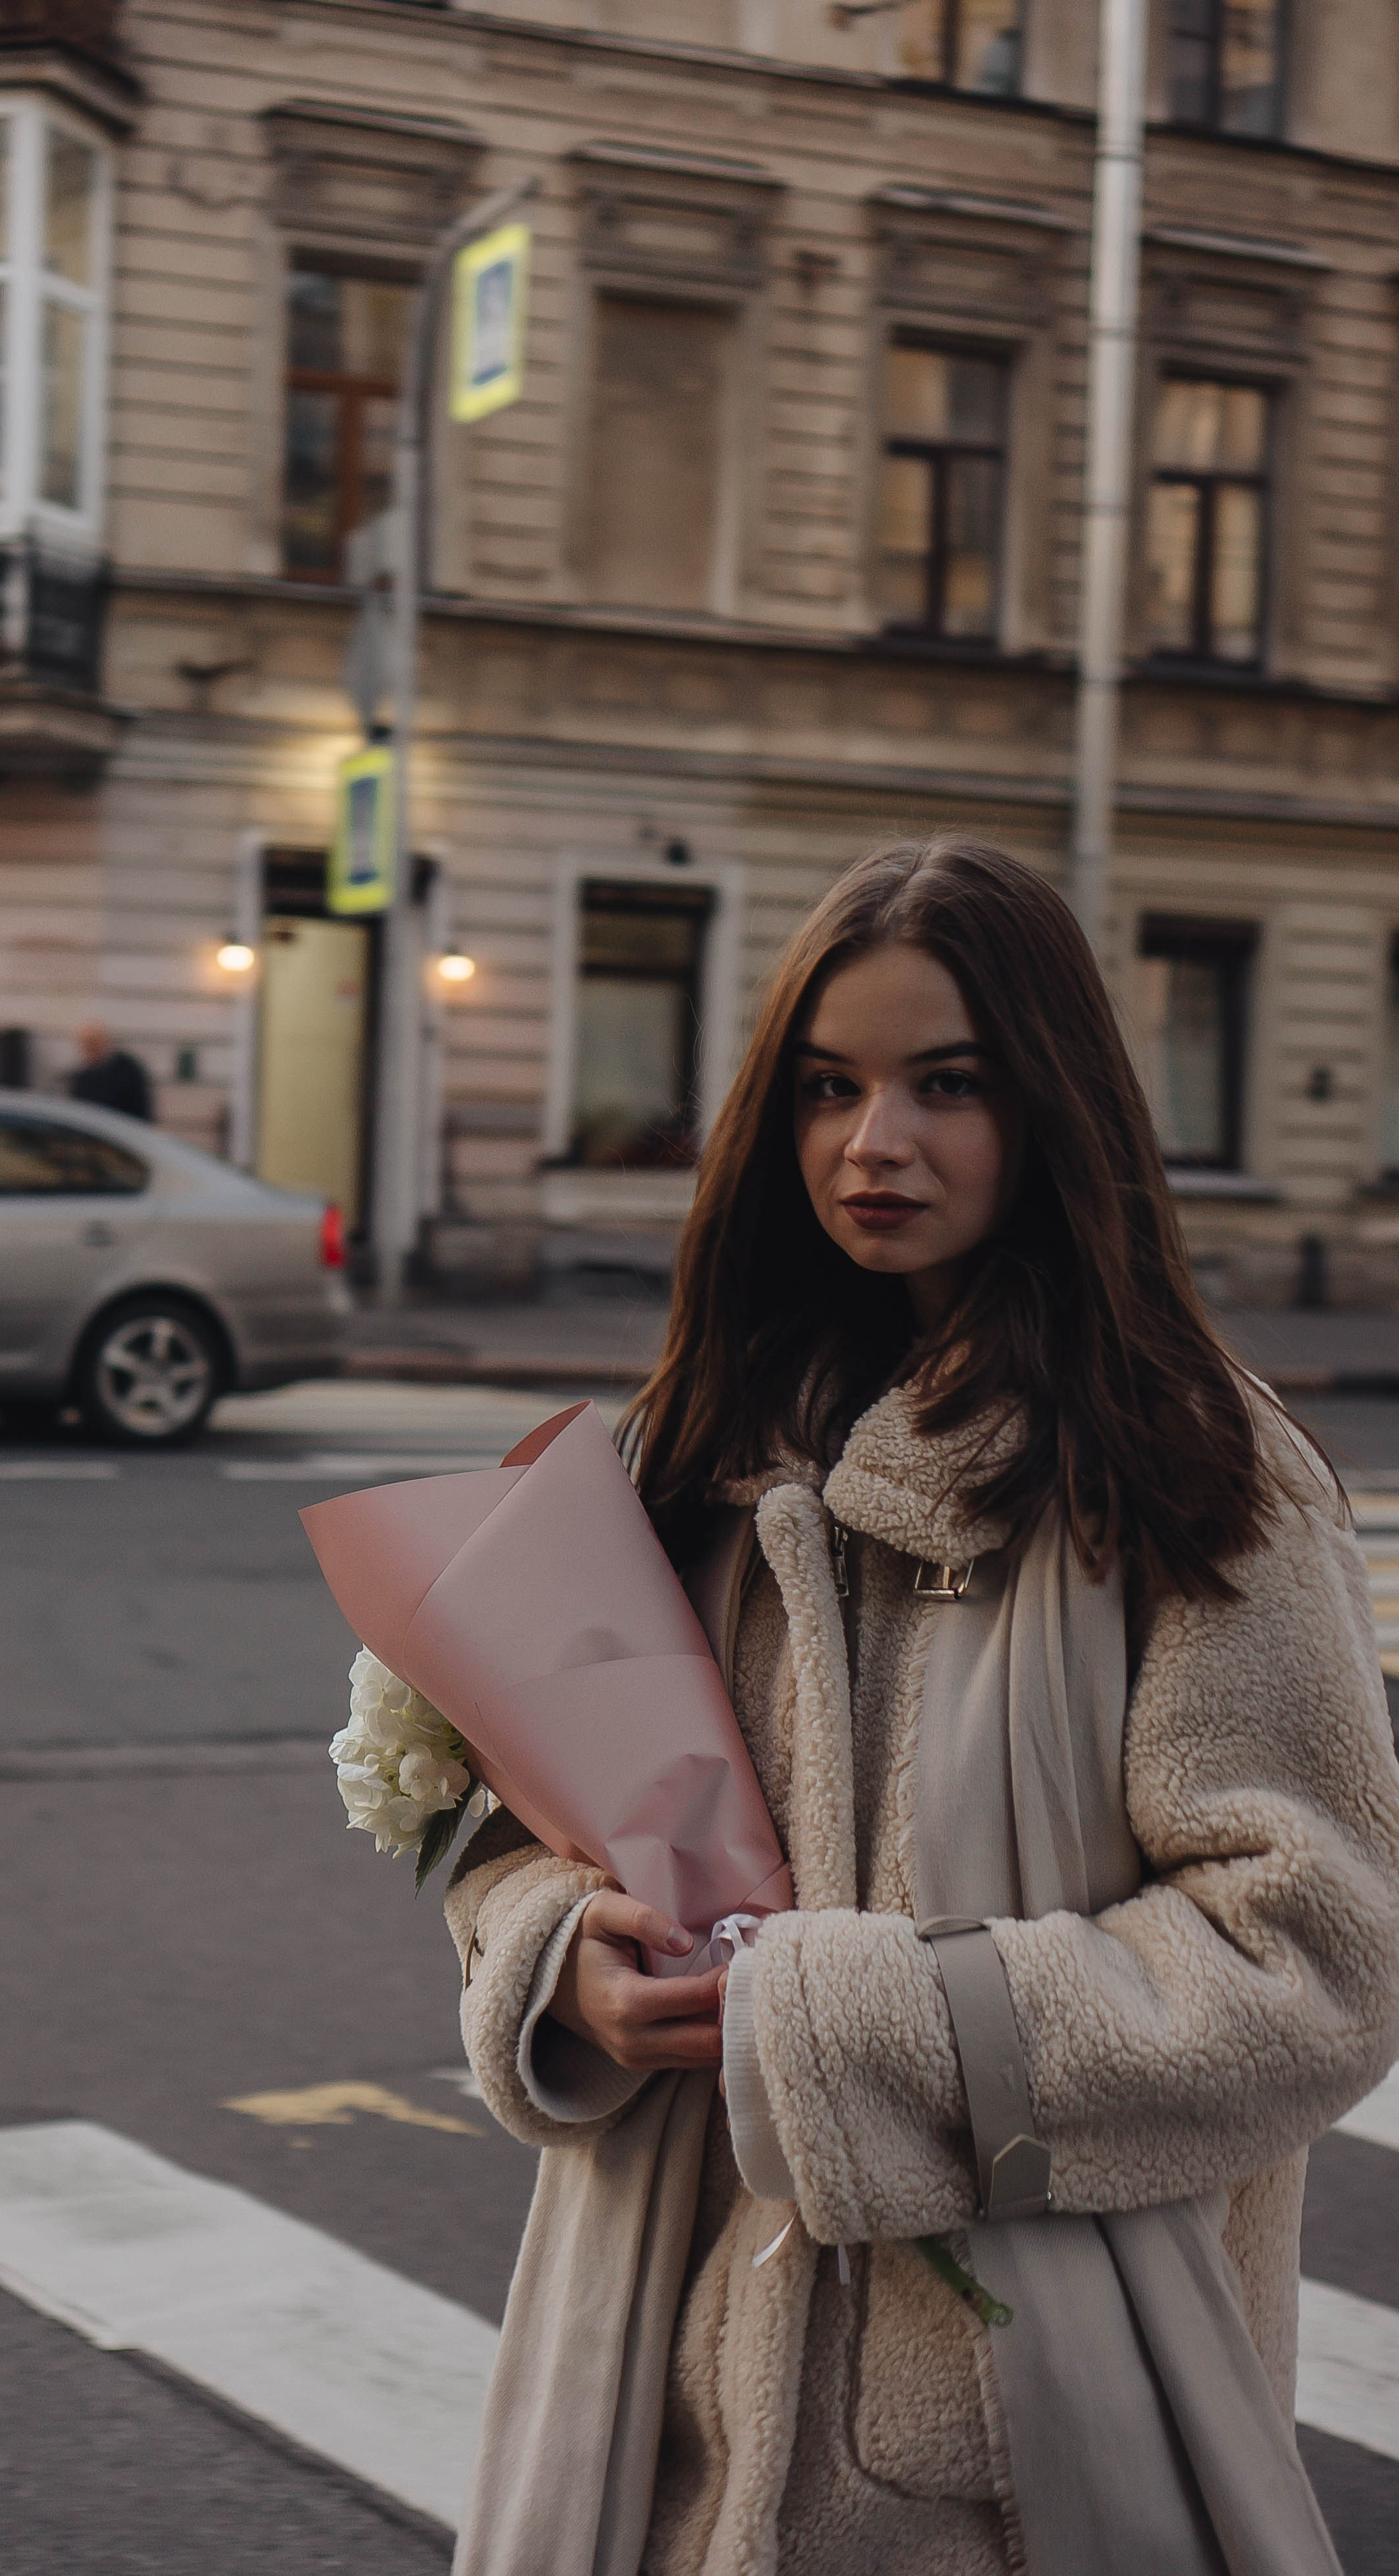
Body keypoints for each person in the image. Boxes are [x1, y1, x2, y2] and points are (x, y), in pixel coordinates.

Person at [443, 837, 1399, 2576]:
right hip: (660, 2401)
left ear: (1053, 1106)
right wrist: (553, 1956)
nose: (872, 1145)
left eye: (944, 1085)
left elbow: (1316, 1960)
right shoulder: (701, 1449)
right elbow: (533, 1829)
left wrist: (839, 2028)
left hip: (1001, 2454)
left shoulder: (1192, 1472)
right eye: (829, 1088)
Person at [68, 1022, 152, 1122]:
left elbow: (141, 1107)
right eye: (87, 1046)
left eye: (94, 1044)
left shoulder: (127, 1070)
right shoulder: (83, 1079)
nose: (90, 1051)